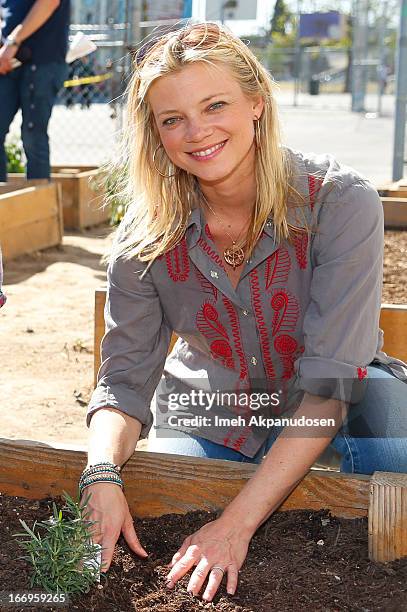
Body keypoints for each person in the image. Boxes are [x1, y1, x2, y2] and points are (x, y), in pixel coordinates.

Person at [81, 22, 407, 603]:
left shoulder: (339, 202)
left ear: (256, 102)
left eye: (215, 105)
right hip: (214, 400)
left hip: (335, 392)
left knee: (396, 438)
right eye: (172, 118)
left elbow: (332, 385)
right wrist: (100, 471)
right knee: (167, 499)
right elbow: (124, 381)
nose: (197, 131)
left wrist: (235, 527)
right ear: (155, 135)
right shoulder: (144, 236)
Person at [0, 0, 70, 182]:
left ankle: (39, 205)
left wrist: (12, 42)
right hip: (9, 61)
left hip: (42, 59)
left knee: (33, 135)